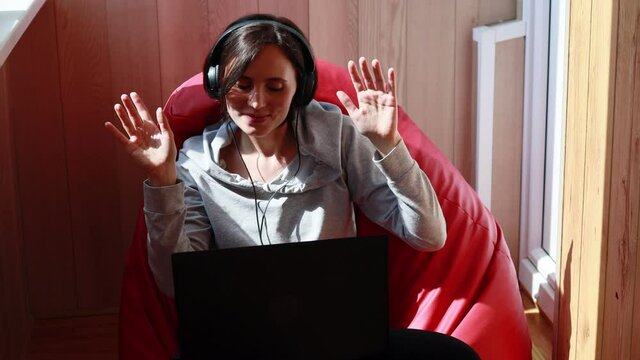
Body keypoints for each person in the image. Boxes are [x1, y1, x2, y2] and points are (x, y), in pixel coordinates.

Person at [104, 14, 447, 297]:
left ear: (301, 88)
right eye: (242, 84)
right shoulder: (195, 163)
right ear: (217, 82)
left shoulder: (337, 135)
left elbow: (429, 235)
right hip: (242, 332)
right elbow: (175, 284)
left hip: (333, 326)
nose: (257, 103)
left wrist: (388, 147)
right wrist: (164, 180)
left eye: (275, 86)